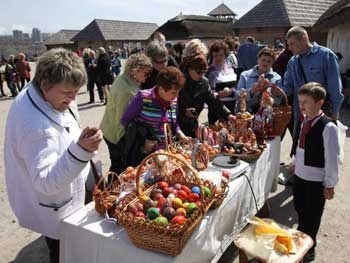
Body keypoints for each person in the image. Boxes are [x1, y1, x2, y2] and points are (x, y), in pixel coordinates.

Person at [4, 48, 103, 263]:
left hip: (67, 189)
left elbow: (64, 121)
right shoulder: (35, 127)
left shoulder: (47, 94)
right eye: (68, 93)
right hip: (55, 203)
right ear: (45, 85)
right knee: (63, 252)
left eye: (76, 92)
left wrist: (79, 137)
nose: (74, 98)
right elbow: (46, 182)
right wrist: (82, 150)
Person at [291, 82, 340, 262]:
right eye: (299, 101)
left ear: (319, 103)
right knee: (300, 209)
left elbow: (332, 159)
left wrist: (329, 184)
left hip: (315, 180)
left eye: (306, 101)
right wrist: (295, 162)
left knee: (312, 217)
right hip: (300, 175)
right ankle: (302, 239)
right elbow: (300, 145)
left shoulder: (329, 127)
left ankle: (309, 247)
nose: (301, 106)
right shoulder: (305, 120)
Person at [121, 66, 190, 166]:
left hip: (167, 155)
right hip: (145, 157)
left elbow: (174, 124)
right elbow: (125, 121)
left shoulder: (173, 101)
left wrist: (181, 135)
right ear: (161, 89)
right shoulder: (143, 97)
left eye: (178, 92)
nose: (177, 96)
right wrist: (143, 141)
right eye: (174, 93)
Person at [100, 54, 152, 173]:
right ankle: (111, 189)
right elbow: (122, 121)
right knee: (119, 167)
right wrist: (124, 147)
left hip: (108, 129)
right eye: (146, 73)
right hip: (114, 135)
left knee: (116, 165)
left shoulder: (124, 78)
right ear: (135, 71)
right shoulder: (127, 91)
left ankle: (110, 187)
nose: (148, 77)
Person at [283, 26, 344, 123]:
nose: (289, 48)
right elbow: (287, 88)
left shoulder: (326, 55)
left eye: (292, 44)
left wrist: (334, 114)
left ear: (304, 39)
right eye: (288, 45)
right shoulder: (292, 62)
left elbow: (335, 88)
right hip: (300, 116)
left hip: (322, 115)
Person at [178, 39, 236, 138]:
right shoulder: (178, 81)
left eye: (204, 72)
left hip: (193, 129)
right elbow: (167, 107)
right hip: (176, 129)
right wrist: (183, 111)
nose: (202, 75)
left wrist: (228, 115)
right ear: (189, 67)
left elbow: (213, 101)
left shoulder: (204, 82)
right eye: (198, 72)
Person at [236, 47, 282, 113]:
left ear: (272, 63)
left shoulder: (277, 78)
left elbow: (279, 101)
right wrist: (251, 91)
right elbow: (237, 96)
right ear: (258, 59)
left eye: (269, 61)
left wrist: (274, 94)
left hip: (268, 116)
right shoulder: (245, 75)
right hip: (247, 114)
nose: (265, 63)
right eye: (263, 60)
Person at [207, 40, 237, 122]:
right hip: (217, 109)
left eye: (221, 55)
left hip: (232, 107)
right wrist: (219, 94)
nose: (218, 58)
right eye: (215, 55)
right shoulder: (210, 72)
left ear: (226, 55)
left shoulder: (231, 69)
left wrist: (232, 90)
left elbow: (236, 86)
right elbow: (208, 93)